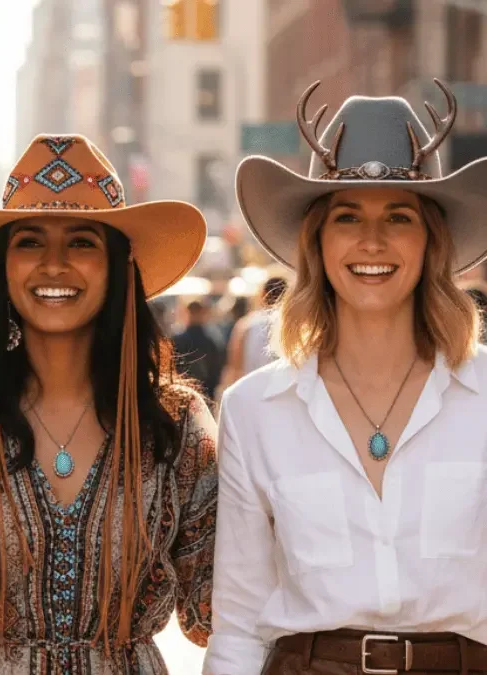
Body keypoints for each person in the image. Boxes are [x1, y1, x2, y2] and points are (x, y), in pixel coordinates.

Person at [0, 134, 218, 674]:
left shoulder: (176, 423)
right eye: (29, 242)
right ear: (0, 268)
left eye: (81, 242)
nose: (53, 264)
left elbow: (220, 617)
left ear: (118, 266)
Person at [206, 80, 487, 675]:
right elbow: (238, 623)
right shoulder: (255, 408)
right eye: (347, 215)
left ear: (431, 240)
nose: (372, 241)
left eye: (399, 216)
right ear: (317, 241)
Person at [217, 275, 287, 393]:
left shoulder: (246, 326)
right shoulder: (295, 327)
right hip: (284, 395)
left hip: (251, 393)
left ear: (262, 295)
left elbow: (235, 368)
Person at [173, 299, 225, 400]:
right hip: (205, 392)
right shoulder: (210, 340)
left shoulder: (178, 339)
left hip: (182, 392)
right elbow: (217, 368)